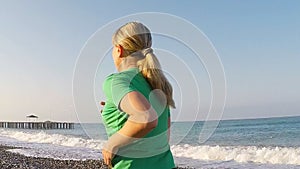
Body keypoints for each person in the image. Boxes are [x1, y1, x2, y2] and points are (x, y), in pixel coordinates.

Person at [101, 22, 176, 169]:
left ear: (118, 50)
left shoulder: (117, 81)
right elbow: (163, 137)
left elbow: (146, 118)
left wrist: (111, 144)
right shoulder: (157, 83)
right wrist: (114, 110)